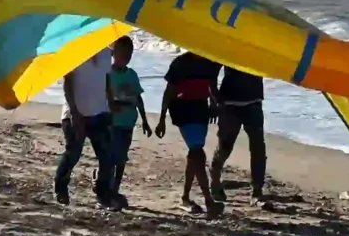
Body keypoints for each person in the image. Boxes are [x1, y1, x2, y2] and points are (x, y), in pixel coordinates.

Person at [55, 43, 117, 208]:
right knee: (73, 154)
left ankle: (102, 193)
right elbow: (68, 82)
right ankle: (60, 187)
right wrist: (74, 112)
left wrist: (111, 105)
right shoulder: (76, 48)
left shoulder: (106, 53)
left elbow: (106, 80)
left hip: (100, 112)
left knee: (107, 156)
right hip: (76, 112)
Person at [162, 48, 222, 213]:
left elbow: (211, 86)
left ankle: (185, 198)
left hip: (201, 111)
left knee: (194, 156)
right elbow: (169, 92)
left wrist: (215, 105)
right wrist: (161, 119)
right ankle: (209, 200)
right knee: (198, 154)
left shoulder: (211, 62)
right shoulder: (180, 63)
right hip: (183, 110)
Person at [211, 62, 267, 205]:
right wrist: (214, 97)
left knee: (258, 148)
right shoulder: (231, 44)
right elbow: (212, 69)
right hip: (229, 103)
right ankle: (215, 181)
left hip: (254, 101)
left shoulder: (260, 45)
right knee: (224, 147)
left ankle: (257, 192)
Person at [104, 35, 152, 204]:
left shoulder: (132, 75)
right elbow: (101, 98)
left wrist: (145, 120)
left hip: (128, 121)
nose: (126, 57)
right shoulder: (107, 73)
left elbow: (138, 98)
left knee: (122, 158)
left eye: (129, 54)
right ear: (113, 53)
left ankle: (115, 189)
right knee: (110, 156)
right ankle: (106, 188)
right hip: (112, 122)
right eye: (122, 53)